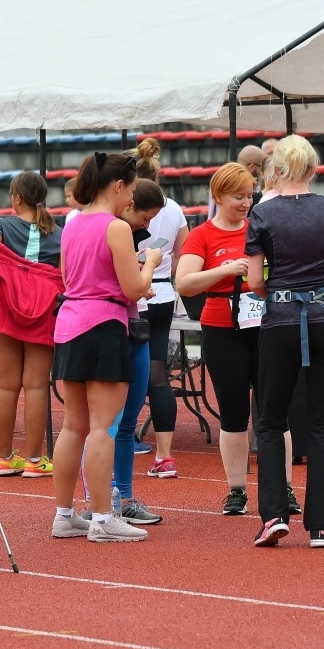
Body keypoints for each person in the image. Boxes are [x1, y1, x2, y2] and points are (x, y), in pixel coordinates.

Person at [245, 135, 324, 548]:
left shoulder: (261, 213)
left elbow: (255, 280)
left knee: (271, 419)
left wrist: (277, 292)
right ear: (313, 168)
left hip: (279, 321)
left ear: (277, 169)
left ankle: (274, 515)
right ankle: (322, 525)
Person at [49, 151, 160, 543]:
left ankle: (65, 514)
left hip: (70, 323)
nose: (131, 199)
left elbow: (66, 276)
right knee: (101, 428)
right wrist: (152, 262)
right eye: (129, 190)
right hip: (103, 324)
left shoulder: (72, 224)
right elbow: (135, 288)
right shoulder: (115, 228)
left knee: (72, 425)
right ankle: (100, 517)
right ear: (117, 186)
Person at [177, 162, 262, 515]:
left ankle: (285, 488)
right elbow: (184, 282)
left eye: (249, 195)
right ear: (218, 196)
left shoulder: (260, 228)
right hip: (220, 327)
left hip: (262, 324)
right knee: (233, 412)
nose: (246, 202)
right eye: (238, 196)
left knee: (275, 411)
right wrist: (226, 270)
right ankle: (237, 490)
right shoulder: (202, 235)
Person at [0, 170, 62, 478]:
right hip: (44, 308)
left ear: (16, 198)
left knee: (7, 384)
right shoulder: (59, 231)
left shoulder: (0, 226)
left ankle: (4, 458)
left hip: (5, 308)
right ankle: (33, 460)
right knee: (37, 386)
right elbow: (66, 273)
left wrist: (11, 271)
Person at [108, 178, 168, 525]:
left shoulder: (127, 234)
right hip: (108, 330)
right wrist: (149, 265)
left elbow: (128, 288)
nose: (148, 225)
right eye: (146, 218)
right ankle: (100, 500)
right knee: (106, 423)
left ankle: (124, 495)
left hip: (134, 325)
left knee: (128, 420)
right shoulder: (106, 230)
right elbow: (127, 285)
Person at [129, 139, 188, 479]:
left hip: (132, 294)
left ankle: (125, 439)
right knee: (157, 373)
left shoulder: (123, 208)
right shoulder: (175, 208)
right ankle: (164, 455)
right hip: (163, 294)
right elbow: (184, 252)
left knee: (128, 373)